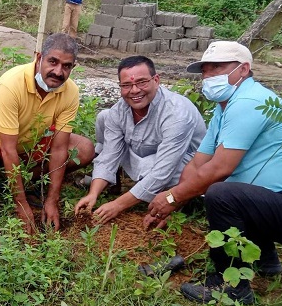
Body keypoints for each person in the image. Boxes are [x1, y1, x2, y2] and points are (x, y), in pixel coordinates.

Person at [146, 41, 282, 304]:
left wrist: (172, 197)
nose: (209, 75)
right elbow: (197, 164)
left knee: (221, 193)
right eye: (205, 69)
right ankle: (264, 260)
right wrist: (174, 203)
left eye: (218, 67)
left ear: (244, 69)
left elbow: (219, 168)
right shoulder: (224, 108)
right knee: (231, 191)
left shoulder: (250, 102)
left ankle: (231, 287)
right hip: (281, 204)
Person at [0, 33, 95, 234]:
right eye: (53, 61)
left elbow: (59, 147)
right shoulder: (12, 84)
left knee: (84, 149)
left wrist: (52, 199)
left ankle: (11, 182)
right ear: (39, 56)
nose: (58, 71)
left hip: (28, 146)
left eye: (66, 66)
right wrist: (21, 203)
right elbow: (7, 149)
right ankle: (7, 184)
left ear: (72, 67)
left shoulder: (70, 92)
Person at [74, 56, 206, 224]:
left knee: (152, 171)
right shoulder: (120, 110)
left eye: (142, 82)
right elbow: (109, 155)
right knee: (104, 117)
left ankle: (178, 201)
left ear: (156, 80)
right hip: (146, 155)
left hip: (182, 164)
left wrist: (117, 205)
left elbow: (163, 171)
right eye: (127, 85)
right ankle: (112, 181)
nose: (135, 90)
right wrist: (93, 194)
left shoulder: (176, 113)